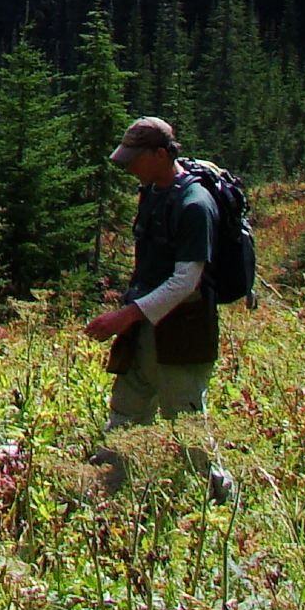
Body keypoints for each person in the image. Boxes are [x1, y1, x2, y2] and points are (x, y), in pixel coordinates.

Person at [82, 116, 222, 430]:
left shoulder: (195, 205)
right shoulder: (153, 193)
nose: (130, 167)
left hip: (183, 336)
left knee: (187, 431)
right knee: (125, 415)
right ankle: (113, 473)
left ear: (161, 155)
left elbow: (187, 281)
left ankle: (211, 481)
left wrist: (126, 315)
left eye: (136, 160)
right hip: (144, 331)